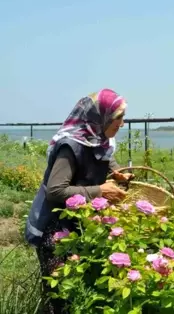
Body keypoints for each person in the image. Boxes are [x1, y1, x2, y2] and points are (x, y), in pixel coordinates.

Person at [25, 89, 133, 314]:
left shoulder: (99, 139)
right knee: (60, 296)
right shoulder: (70, 146)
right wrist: (99, 191)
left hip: (79, 224)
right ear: (99, 117)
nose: (122, 123)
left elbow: (103, 157)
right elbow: (55, 191)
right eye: (117, 117)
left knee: (80, 293)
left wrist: (117, 173)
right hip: (56, 231)